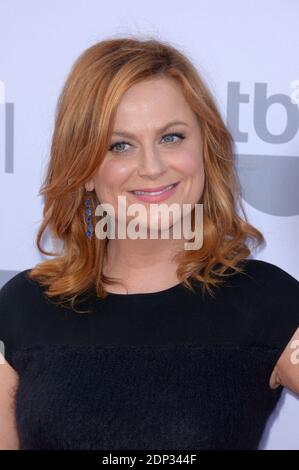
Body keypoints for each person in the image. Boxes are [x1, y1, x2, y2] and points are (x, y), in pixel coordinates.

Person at [0, 36, 298, 451]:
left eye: (171, 137)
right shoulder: (21, 307)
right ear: (84, 168)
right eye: (119, 145)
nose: (152, 167)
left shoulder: (268, 300)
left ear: (205, 149)